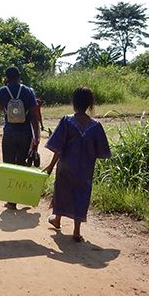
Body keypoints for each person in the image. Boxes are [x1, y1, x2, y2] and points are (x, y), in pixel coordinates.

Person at [43, 86, 111, 242]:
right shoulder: (95, 126)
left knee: (62, 191)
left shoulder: (67, 121)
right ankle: (76, 231)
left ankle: (57, 219)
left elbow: (58, 147)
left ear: (74, 102)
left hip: (66, 166)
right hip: (85, 169)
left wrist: (51, 166)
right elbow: (102, 151)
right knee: (81, 196)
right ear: (90, 104)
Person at [0, 66, 40, 209]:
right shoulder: (27, 91)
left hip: (9, 132)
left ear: (7, 78)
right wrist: (36, 137)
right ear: (19, 76)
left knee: (8, 164)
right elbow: (34, 115)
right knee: (20, 164)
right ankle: (18, 197)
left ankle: (11, 201)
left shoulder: (3, 90)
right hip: (25, 132)